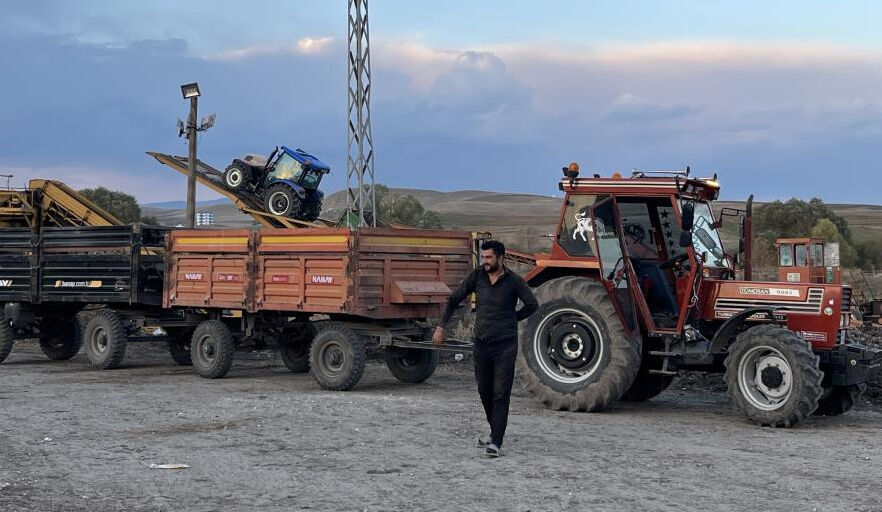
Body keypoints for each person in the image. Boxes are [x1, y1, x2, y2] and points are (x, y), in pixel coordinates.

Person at [433, 240, 538, 458]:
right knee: (484, 390)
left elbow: (532, 304)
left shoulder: (514, 281)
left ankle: (496, 442)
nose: (485, 261)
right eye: (483, 257)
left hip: (505, 345)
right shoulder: (477, 276)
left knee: (501, 393)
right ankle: (494, 430)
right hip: (482, 343)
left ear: (500, 258)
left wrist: (513, 318)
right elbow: (455, 299)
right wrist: (441, 326)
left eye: (489, 257)